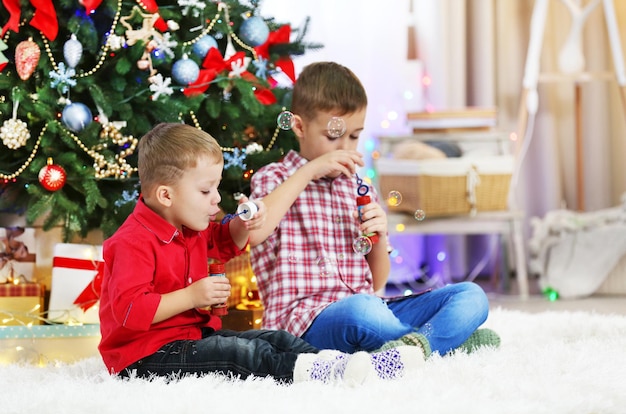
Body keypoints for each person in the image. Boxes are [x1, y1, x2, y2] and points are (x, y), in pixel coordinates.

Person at [97, 122, 425, 385]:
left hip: (191, 337)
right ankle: (317, 374)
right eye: (205, 190)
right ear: (165, 195)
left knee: (273, 338)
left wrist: (243, 223)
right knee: (240, 353)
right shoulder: (131, 242)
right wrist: (192, 295)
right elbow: (129, 310)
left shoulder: (191, 227)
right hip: (145, 357)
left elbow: (225, 239)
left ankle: (342, 365)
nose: (215, 199)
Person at [249, 62, 500, 358]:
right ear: (300, 126)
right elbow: (254, 234)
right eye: (333, 136)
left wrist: (378, 237)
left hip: (373, 311)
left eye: (354, 136)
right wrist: (310, 171)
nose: (346, 147)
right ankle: (441, 344)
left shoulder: (358, 187)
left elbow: (377, 281)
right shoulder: (273, 179)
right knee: (362, 310)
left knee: (471, 295)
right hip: (306, 324)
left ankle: (413, 350)